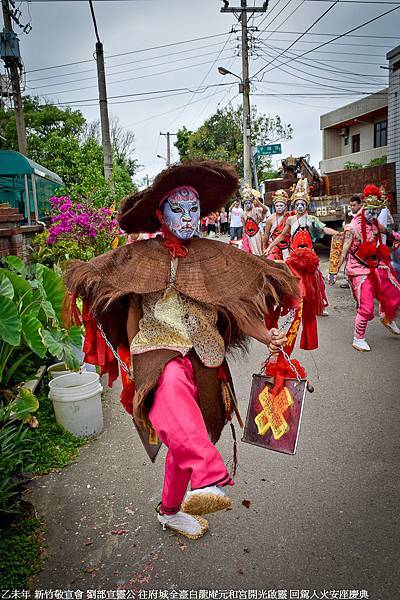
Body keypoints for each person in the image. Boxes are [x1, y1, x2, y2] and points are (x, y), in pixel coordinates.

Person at [65, 160, 298, 540]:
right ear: (160, 213)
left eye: (194, 210)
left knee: (185, 438)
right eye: (178, 208)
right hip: (157, 349)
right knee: (172, 389)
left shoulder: (216, 255)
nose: (188, 217)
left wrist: (266, 336)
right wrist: (125, 353)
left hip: (206, 357)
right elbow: (108, 288)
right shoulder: (140, 256)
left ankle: (170, 510)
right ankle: (209, 474)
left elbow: (237, 308)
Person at [264, 178, 341, 349]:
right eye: (297, 204)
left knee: (312, 293)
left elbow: (324, 229)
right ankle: (291, 308)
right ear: (294, 206)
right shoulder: (290, 221)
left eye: (302, 204)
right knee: (297, 290)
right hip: (294, 260)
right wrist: (270, 246)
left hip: (310, 262)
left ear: (306, 205)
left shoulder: (312, 220)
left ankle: (308, 331)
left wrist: (338, 233)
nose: (299, 207)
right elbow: (281, 236)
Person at [336, 184, 400, 352]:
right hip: (358, 270)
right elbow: (343, 251)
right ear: (364, 208)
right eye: (371, 212)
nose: (374, 216)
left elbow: (385, 230)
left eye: (377, 212)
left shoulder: (374, 222)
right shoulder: (353, 228)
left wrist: (395, 236)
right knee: (367, 307)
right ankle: (358, 338)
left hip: (375, 265)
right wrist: (333, 271)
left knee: (392, 292)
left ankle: (387, 317)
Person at [263, 189, 291, 261]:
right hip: (274, 245)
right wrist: (265, 247)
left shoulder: (290, 217)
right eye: (277, 205)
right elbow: (266, 234)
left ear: (285, 206)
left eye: (281, 205)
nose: (279, 207)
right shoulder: (270, 219)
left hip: (288, 244)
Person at [241, 186, 269, 256]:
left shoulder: (256, 210)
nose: (247, 205)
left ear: (252, 203)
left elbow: (265, 210)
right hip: (248, 235)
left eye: (249, 203)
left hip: (256, 233)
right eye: (246, 203)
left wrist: (258, 202)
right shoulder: (243, 214)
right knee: (251, 251)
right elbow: (244, 227)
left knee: (258, 251)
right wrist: (244, 237)